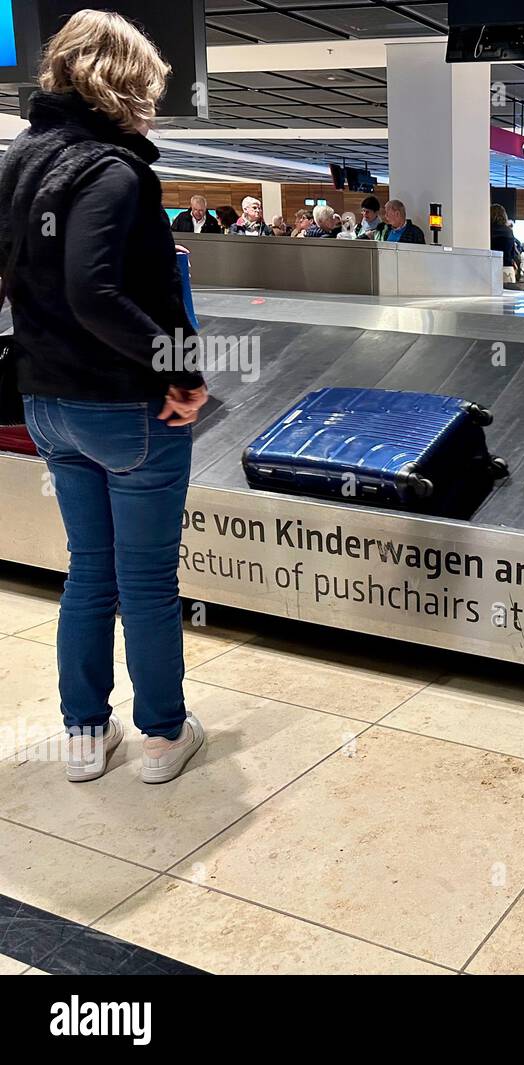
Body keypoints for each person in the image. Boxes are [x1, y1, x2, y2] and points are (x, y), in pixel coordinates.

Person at [0, 10, 208, 783]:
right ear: (123, 84)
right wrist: (182, 371)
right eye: (149, 88)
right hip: (127, 409)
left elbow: (32, 275)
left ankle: (85, 733)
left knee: (89, 569)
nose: (153, 103)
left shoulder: (18, 159)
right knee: (147, 579)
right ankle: (162, 735)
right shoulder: (116, 170)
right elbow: (96, 293)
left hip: (46, 403)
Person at [490, 204, 522, 272]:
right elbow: (513, 253)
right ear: (504, 216)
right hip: (506, 268)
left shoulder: (487, 232)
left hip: (490, 267)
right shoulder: (508, 231)